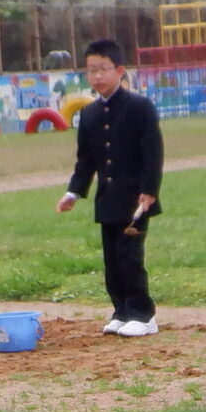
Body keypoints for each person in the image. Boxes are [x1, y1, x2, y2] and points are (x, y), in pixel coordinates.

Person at [56, 39, 164, 336]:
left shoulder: (140, 107)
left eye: (103, 69)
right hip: (107, 200)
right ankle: (121, 311)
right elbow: (86, 160)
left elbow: (153, 152)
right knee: (112, 260)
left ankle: (143, 315)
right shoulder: (89, 114)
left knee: (130, 258)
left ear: (119, 71)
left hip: (136, 200)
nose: (97, 76)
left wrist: (149, 190)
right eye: (91, 70)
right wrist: (73, 192)